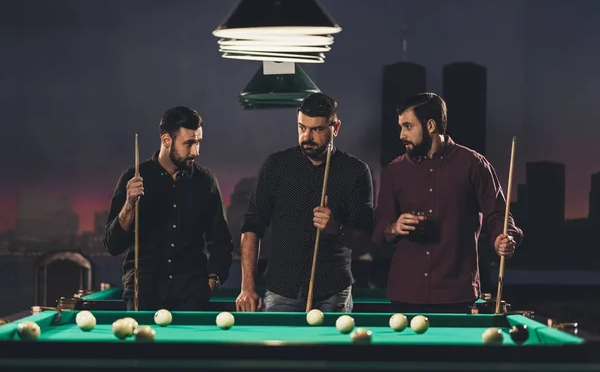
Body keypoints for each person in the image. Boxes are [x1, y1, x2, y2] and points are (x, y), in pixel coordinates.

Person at [372, 93, 523, 313]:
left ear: (431, 125)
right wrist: (393, 227)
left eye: (407, 126)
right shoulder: (396, 169)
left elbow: (498, 214)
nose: (401, 135)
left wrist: (504, 236)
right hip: (405, 292)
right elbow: (380, 224)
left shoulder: (474, 164)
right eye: (401, 127)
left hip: (455, 294)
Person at [236, 92, 374, 312]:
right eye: (302, 128)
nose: (307, 137)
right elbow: (252, 227)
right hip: (282, 289)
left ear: (335, 128)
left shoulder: (355, 171)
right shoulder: (276, 165)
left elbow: (364, 241)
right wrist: (247, 287)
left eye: (317, 129)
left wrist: (335, 228)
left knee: (329, 348)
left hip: (333, 290)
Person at [104, 106, 234, 311]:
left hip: (191, 296)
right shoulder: (133, 177)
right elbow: (113, 245)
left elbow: (221, 241)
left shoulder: (205, 181)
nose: (196, 151)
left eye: (198, 142)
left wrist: (212, 281)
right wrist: (129, 205)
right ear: (167, 140)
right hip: (143, 294)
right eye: (189, 143)